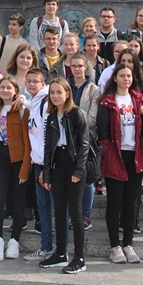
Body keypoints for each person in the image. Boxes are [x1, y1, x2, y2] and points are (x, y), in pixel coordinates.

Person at [98, 61, 143, 263]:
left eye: (129, 76)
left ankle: (128, 243)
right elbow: (102, 132)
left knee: (131, 202)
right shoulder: (107, 101)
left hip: (135, 155)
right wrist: (108, 151)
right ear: (115, 78)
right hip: (115, 155)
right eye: (122, 76)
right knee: (114, 202)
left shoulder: (138, 99)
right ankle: (115, 246)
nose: (126, 79)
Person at [39, 78, 89, 274]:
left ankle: (79, 258)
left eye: (59, 92)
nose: (55, 96)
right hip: (57, 165)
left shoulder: (77, 113)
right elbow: (48, 147)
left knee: (75, 211)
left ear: (67, 93)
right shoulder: (51, 116)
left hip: (74, 164)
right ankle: (60, 253)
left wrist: (79, 170)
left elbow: (84, 144)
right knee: (59, 210)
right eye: (52, 92)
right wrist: (47, 173)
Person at [0, 77, 32, 261]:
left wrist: (25, 168)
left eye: (9, 87)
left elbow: (27, 141)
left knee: (18, 200)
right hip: (2, 157)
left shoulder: (22, 110)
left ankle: (14, 240)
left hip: (19, 158)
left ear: (16, 91)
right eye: (2, 87)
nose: (5, 90)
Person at [68, 52, 101, 229]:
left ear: (85, 67)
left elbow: (93, 117)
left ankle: (85, 215)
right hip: (66, 139)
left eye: (80, 66)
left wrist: (75, 127)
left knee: (86, 178)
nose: (77, 69)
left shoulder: (94, 89)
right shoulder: (65, 86)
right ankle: (72, 215)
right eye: (74, 66)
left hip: (86, 138)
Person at [24, 67, 53, 262]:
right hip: (37, 162)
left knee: (51, 206)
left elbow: (47, 136)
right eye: (29, 81)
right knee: (42, 206)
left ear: (43, 84)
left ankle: (56, 249)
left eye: (36, 81)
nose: (32, 84)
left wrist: (44, 167)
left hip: (46, 164)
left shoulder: (45, 102)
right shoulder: (34, 102)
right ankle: (46, 247)